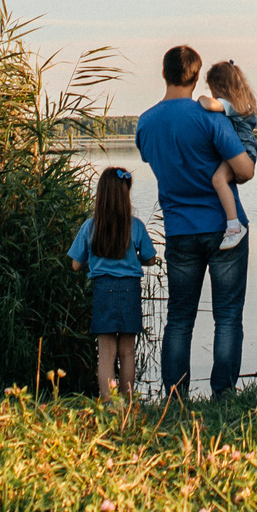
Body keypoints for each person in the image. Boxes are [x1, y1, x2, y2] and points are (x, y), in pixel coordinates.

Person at [133, 43, 256, 400]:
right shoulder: (210, 117)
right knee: (227, 315)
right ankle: (223, 394)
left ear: (164, 73)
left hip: (179, 229)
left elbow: (152, 158)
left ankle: (175, 396)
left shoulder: (146, 122)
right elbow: (245, 171)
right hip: (224, 227)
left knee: (179, 317)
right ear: (197, 76)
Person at [66, 166, 157, 401]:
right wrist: (135, 259)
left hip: (102, 290)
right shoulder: (136, 226)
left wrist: (94, 261)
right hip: (130, 290)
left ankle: (108, 401)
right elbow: (150, 259)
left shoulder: (90, 226)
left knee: (106, 353)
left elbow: (75, 264)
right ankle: (127, 401)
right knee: (127, 352)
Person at [196, 59, 257, 249]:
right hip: (246, 149)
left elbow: (210, 105)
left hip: (244, 151)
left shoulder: (231, 105)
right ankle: (233, 224)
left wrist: (200, 99)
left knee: (218, 179)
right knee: (220, 179)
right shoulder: (240, 105)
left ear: (219, 87)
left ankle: (234, 226)